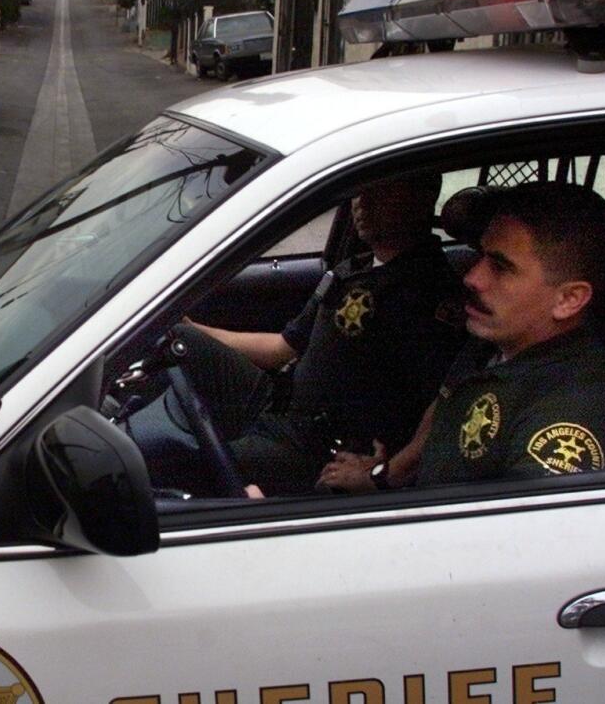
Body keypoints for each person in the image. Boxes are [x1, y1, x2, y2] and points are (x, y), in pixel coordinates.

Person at [128, 172, 465, 496]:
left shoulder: (430, 295)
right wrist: (192, 328)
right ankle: (120, 417)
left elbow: (445, 399)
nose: (361, 203)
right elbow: (282, 348)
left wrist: (385, 470)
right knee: (181, 342)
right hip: (279, 404)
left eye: (379, 192)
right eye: (360, 192)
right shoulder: (355, 269)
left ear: (422, 198)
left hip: (316, 450)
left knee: (178, 461)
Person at [317, 181, 605, 493]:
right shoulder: (494, 340)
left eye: (501, 267)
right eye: (481, 257)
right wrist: (382, 476)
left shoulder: (579, 409)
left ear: (568, 300)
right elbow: (446, 407)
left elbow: (518, 544)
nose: (472, 277)